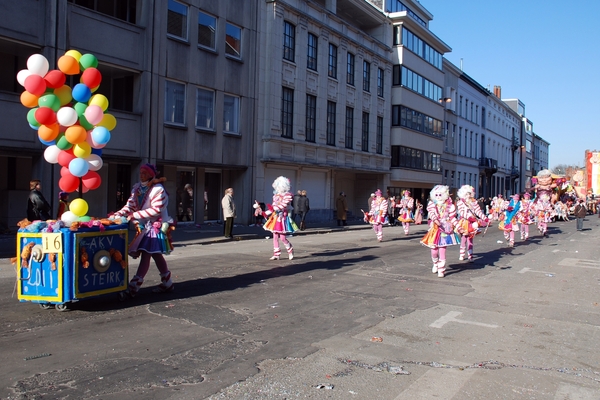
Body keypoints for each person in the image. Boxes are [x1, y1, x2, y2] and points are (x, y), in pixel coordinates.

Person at [110, 164, 175, 297]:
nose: (141, 175)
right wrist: (117, 215)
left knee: (146, 253)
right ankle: (167, 283)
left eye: (145, 173)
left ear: (151, 174)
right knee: (156, 254)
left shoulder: (158, 189)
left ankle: (134, 286)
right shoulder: (137, 188)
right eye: (140, 172)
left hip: (156, 226)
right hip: (146, 226)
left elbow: (156, 210)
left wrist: (134, 216)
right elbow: (130, 206)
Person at [420, 185, 459, 278]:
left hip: (445, 229)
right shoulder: (432, 204)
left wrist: (458, 226)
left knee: (442, 249)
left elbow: (453, 218)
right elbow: (432, 213)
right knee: (434, 250)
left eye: (440, 194)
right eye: (436, 195)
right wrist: (436, 220)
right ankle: (435, 263)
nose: (438, 196)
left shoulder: (450, 206)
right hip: (435, 229)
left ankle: (441, 269)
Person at [263, 176, 297, 260]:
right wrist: (265, 212)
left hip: (283, 219)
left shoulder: (288, 196)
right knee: (275, 237)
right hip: (275, 218)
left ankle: (290, 250)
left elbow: (283, 205)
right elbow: (274, 206)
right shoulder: (276, 196)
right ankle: (276, 254)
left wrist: (270, 210)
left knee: (282, 237)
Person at [455, 185, 488, 262]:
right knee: (463, 238)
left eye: (469, 193)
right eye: (466, 194)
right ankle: (462, 254)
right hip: (464, 222)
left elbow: (478, 211)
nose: (468, 195)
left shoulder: (474, 202)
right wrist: (469, 217)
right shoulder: (460, 202)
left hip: (472, 223)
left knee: (470, 238)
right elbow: (461, 212)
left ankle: (470, 255)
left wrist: (484, 218)